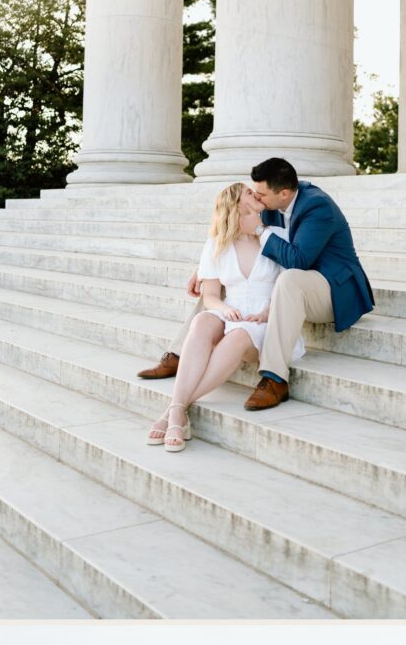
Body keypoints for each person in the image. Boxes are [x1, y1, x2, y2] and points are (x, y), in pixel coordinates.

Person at [138, 156, 374, 412]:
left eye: (260, 194)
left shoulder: (318, 207)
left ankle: (274, 378)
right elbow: (237, 241)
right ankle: (180, 353)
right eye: (254, 193)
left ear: (283, 194)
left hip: (332, 288)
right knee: (222, 284)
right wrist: (207, 267)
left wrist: (261, 232)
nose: (257, 199)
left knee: (288, 278)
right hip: (295, 281)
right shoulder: (273, 202)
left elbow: (298, 260)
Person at [145, 182, 304, 452]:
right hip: (233, 314)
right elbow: (210, 297)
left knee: (238, 335)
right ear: (237, 205)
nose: (257, 195)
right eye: (250, 194)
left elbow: (288, 282)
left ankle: (175, 411)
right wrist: (223, 310)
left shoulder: (278, 235)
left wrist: (269, 310)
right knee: (202, 321)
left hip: (266, 320)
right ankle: (177, 412)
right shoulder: (216, 243)